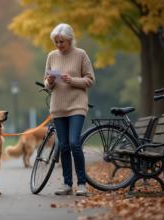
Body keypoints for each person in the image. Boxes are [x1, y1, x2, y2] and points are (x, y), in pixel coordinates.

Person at [44, 23, 95, 196]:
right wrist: (50, 81)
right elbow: (47, 84)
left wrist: (71, 80)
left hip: (77, 106)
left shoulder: (81, 55)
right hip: (58, 107)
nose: (58, 45)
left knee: (74, 142)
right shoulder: (51, 56)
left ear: (70, 39)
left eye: (62, 41)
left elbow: (90, 80)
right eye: (56, 42)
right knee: (64, 146)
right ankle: (67, 184)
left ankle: (81, 184)